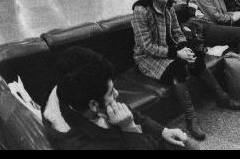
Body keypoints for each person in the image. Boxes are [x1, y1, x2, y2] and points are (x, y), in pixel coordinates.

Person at [132, 0, 240, 141]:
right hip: (148, 58)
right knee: (178, 67)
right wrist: (177, 54)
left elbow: (177, 32)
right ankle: (191, 117)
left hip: (171, 51)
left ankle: (222, 98)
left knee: (197, 56)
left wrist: (185, 48)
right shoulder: (141, 10)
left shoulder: (168, 7)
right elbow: (146, 46)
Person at [42, 46, 197, 150]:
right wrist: (129, 127)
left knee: (185, 143)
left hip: (139, 139)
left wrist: (162, 131)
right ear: (94, 105)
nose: (116, 94)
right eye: (111, 92)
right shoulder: (81, 144)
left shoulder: (78, 93)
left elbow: (133, 114)